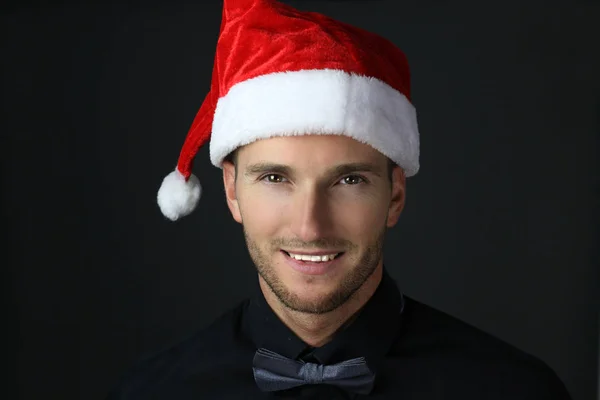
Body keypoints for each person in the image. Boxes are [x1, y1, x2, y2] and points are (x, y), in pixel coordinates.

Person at [107, 0, 572, 398]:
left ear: (396, 196)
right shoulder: (151, 391)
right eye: (274, 177)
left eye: (349, 181)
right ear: (232, 191)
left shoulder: (514, 389)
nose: (310, 227)